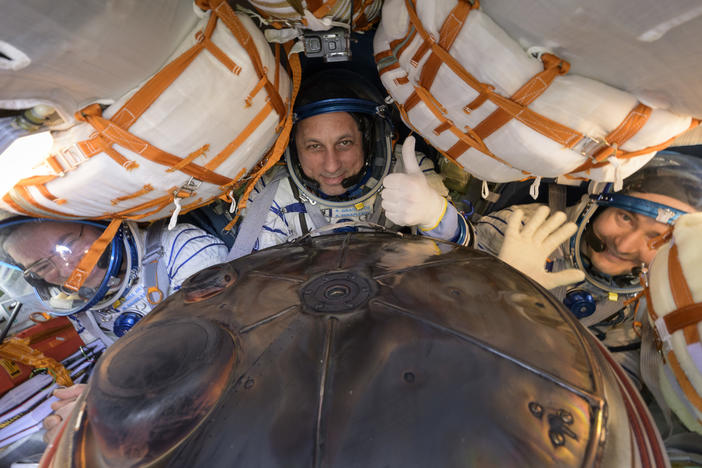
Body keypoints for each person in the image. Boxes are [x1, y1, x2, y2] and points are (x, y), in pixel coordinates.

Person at [474, 150, 702, 382]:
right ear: (597, 208)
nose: (624, 246)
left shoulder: (648, 304)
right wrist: (504, 286)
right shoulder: (521, 232)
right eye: (625, 218)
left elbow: (616, 387)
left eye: (656, 237)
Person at [0, 217, 229, 445]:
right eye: (41, 266)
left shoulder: (181, 247)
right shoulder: (80, 309)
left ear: (95, 223)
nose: (67, 267)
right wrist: (92, 398)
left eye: (67, 245)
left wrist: (106, 405)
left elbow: (208, 352)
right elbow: (129, 363)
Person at [225, 69, 473, 261]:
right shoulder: (272, 195)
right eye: (314, 146)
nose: (331, 165)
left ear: (368, 141)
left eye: (344, 143)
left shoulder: (408, 172)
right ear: (292, 149)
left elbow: (467, 266)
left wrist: (436, 216)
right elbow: (262, 288)